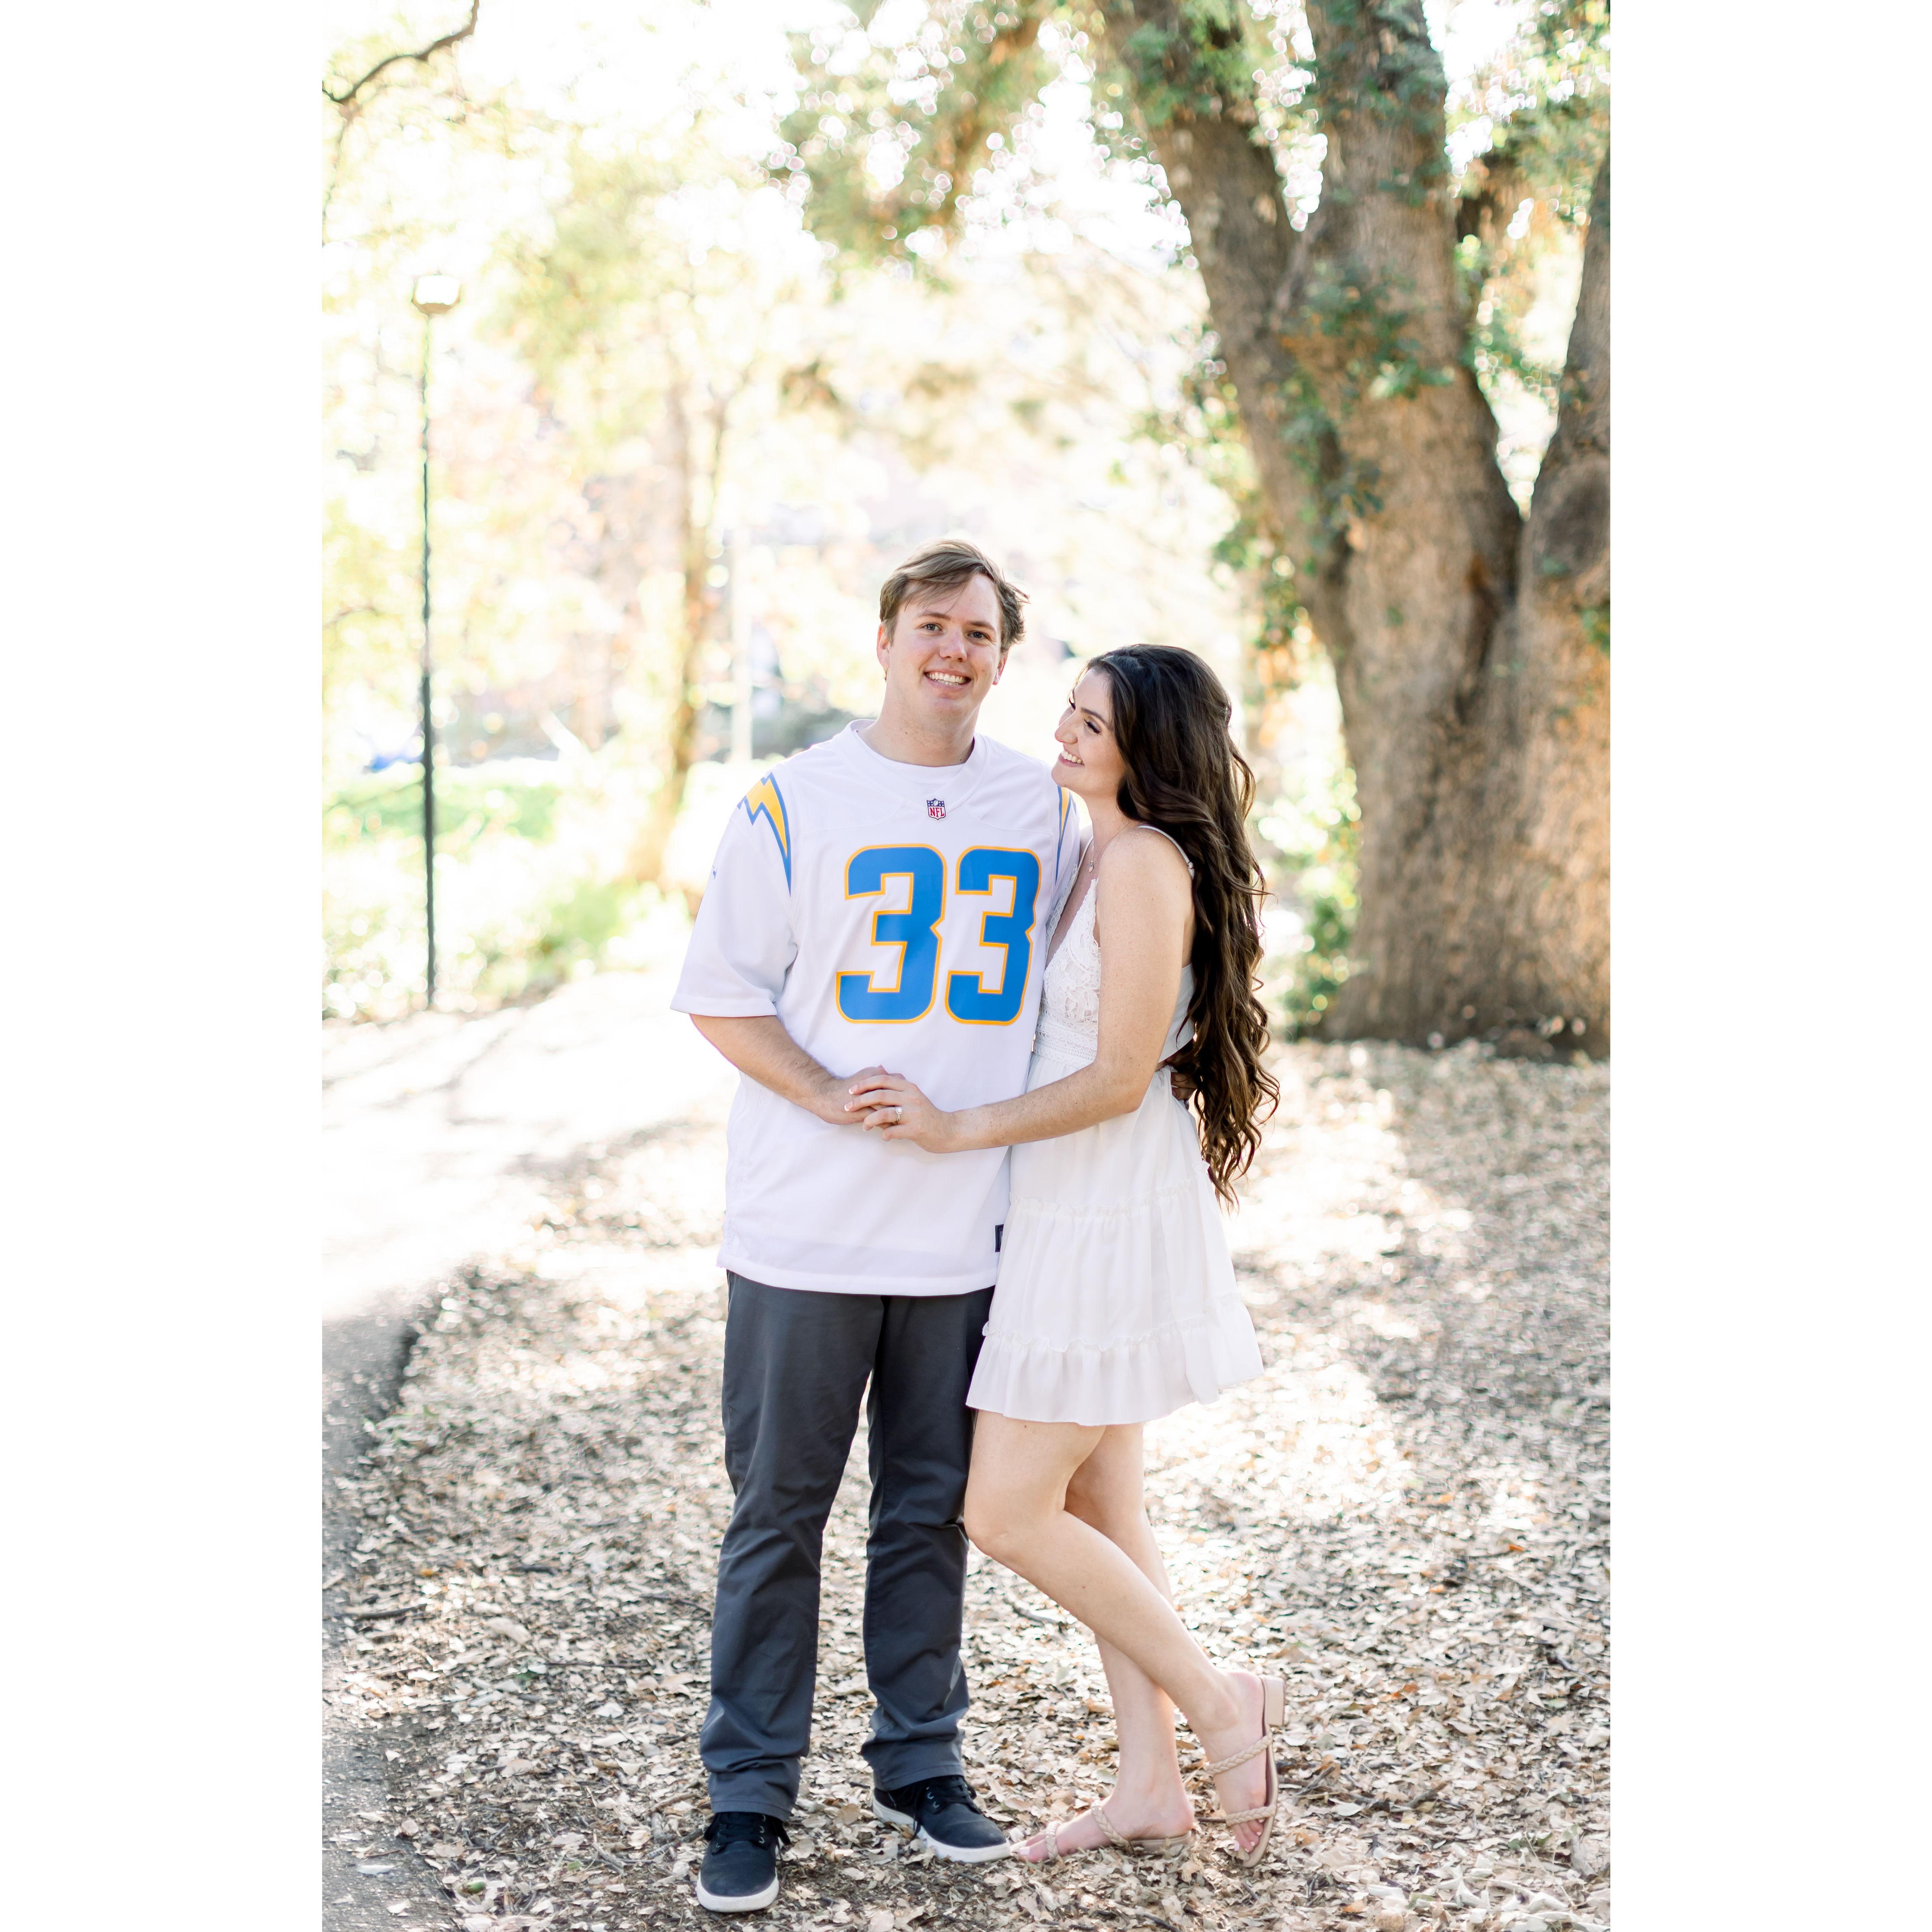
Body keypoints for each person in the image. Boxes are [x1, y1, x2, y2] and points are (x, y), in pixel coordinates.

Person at [671, 539, 1082, 1913]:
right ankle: (748, 1797)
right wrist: (829, 1095)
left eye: (978, 634)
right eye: (931, 626)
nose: (953, 651)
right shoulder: (794, 799)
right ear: (889, 638)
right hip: (804, 1233)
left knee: (931, 1511)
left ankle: (923, 1766)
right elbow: (723, 994)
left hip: (966, 1234)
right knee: (779, 1513)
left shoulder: (1046, 809)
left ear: (1001, 658)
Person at [845, 645, 1288, 1870]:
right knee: (1101, 1501)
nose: (1069, 733)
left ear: (1153, 745)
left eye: (1097, 722)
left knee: (1005, 1508)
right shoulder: (1089, 852)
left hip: (1103, 1207)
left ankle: (1216, 1706)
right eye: (1072, 712)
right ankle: (1151, 1783)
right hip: (1060, 1205)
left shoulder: (1145, 865)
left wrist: (956, 1128)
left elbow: (1111, 1076)